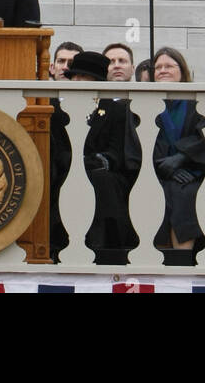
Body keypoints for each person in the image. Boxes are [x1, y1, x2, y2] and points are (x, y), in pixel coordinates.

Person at [67, 50, 141, 265]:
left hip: (101, 172)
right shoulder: (59, 109)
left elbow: (117, 152)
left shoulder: (115, 110)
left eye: (83, 77)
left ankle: (104, 246)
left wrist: (94, 161)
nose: (78, 81)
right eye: (75, 77)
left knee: (102, 181)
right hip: (69, 166)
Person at [151, 47, 205, 266]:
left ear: (182, 71)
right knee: (159, 195)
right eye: (158, 67)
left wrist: (182, 157)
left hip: (190, 173)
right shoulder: (147, 103)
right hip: (157, 173)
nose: (162, 70)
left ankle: (181, 262)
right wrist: (165, 165)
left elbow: (203, 135)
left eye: (169, 66)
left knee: (184, 193)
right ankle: (164, 262)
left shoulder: (197, 102)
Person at [47, 41, 83, 260]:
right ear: (52, 67)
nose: (65, 67)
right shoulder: (39, 100)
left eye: (71, 63)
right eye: (61, 61)